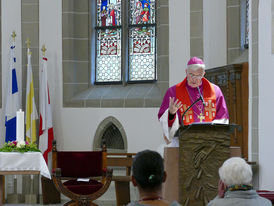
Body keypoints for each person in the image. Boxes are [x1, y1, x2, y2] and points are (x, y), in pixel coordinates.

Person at [158, 57, 229, 146]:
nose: (194, 79)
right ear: (186, 72)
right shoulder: (173, 92)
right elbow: (164, 120)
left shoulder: (215, 91)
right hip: (183, 142)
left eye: (198, 75)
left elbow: (222, 117)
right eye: (191, 74)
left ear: (204, 74)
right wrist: (171, 113)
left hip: (209, 142)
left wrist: (211, 134)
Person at [207, 157, 272, 206]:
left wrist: (219, 196)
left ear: (223, 183)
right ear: (250, 179)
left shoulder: (214, 204)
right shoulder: (267, 203)